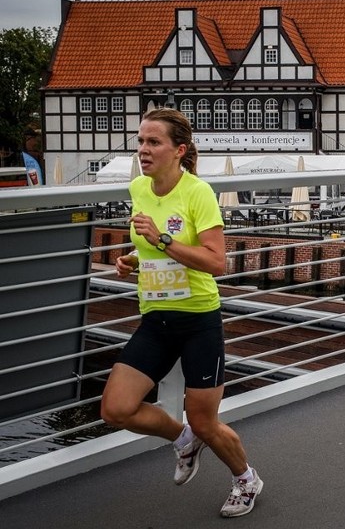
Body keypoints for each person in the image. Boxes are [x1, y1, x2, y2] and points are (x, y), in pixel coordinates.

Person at [100, 108, 263, 518]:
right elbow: (153, 250)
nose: (143, 150)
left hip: (197, 319)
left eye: (154, 142)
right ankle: (183, 439)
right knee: (116, 409)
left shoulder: (198, 193)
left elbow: (217, 262)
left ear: (179, 150)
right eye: (140, 141)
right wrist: (133, 259)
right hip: (156, 317)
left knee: (207, 420)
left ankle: (246, 479)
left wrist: (162, 238)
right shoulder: (139, 187)